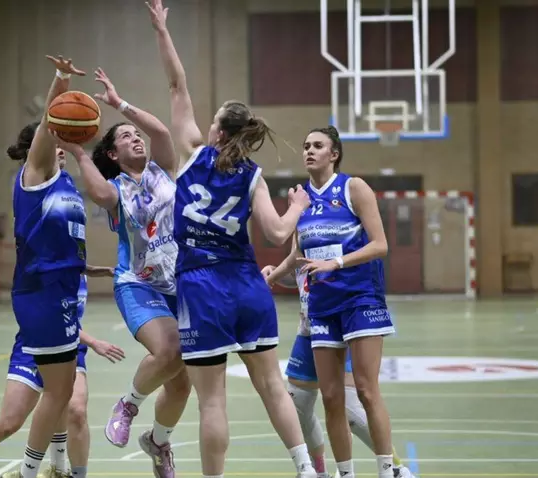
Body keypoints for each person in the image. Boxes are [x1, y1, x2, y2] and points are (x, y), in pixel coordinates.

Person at [146, 1, 316, 477]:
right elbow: (277, 232)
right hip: (246, 285)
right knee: (273, 387)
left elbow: (177, 84)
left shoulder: (191, 154)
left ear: (217, 130)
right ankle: (305, 468)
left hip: (202, 288)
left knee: (212, 402)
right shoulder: (252, 175)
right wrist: (298, 206)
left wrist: (161, 29)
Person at [0, 112, 126, 478]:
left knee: (74, 409)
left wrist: (92, 269)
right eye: (56, 144)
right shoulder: (33, 184)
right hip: (39, 332)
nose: (61, 150)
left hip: (66, 322)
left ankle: (63, 471)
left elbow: (65, 248)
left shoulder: (67, 189)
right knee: (9, 423)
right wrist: (93, 341)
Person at [0, 54, 88, 478]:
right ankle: (21, 470)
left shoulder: (66, 184)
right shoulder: (35, 175)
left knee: (64, 397)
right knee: (54, 397)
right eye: (56, 137)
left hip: (60, 294)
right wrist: (61, 81)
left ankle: (53, 468)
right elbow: (48, 123)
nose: (61, 142)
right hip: (41, 294)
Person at [53, 67, 189, 478]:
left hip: (181, 285)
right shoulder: (117, 191)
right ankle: (128, 405)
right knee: (168, 351)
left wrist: (120, 104)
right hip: (138, 284)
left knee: (181, 384)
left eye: (135, 134)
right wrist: (79, 153)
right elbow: (97, 192)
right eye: (126, 136)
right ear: (113, 155)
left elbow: (161, 131)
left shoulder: (163, 170)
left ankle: (158, 442)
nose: (136, 137)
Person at [294, 126, 395, 478]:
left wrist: (335, 263)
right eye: (306, 146)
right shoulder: (301, 199)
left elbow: (380, 245)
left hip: (360, 298)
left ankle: (387, 470)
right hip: (322, 304)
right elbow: (298, 254)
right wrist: (273, 274)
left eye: (317, 145)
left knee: (366, 390)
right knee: (331, 397)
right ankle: (346, 473)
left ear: (333, 154)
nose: (309, 151)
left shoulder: (353, 188)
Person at [261, 254, 414, 478]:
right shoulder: (302, 236)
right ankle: (319, 472)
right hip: (309, 328)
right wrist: (276, 273)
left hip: (338, 324)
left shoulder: (342, 236)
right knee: (297, 404)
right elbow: (300, 273)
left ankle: (396, 469)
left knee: (349, 407)